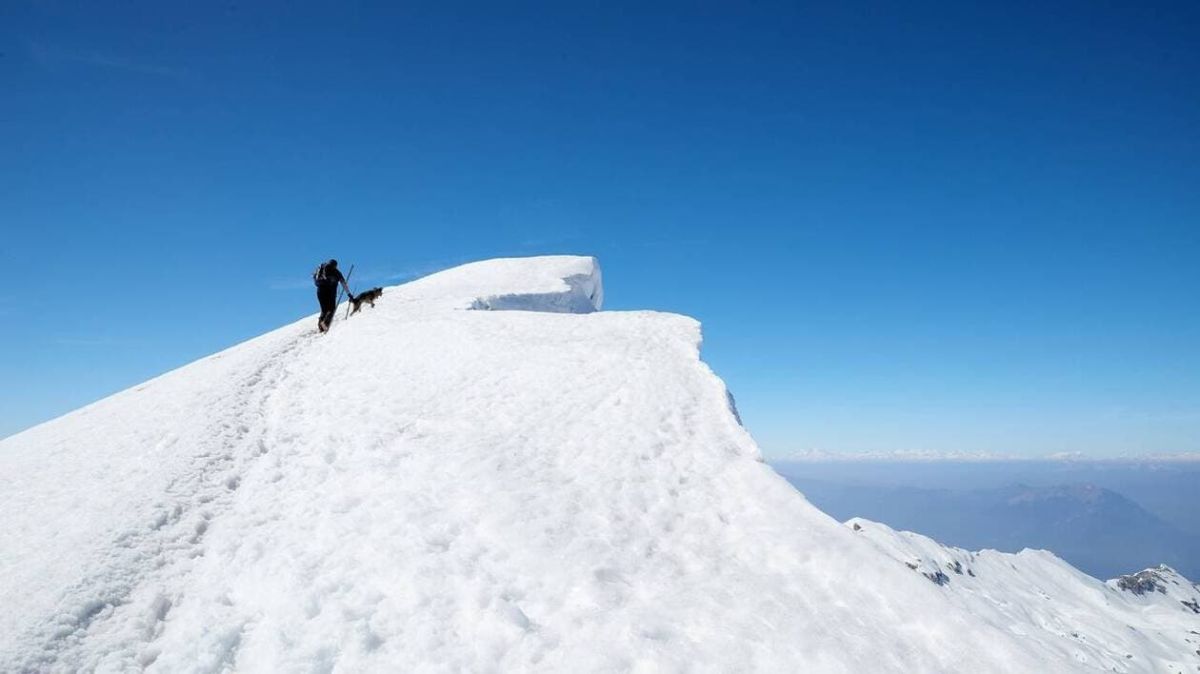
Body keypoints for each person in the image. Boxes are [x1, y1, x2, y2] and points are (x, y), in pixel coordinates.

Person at [313, 259, 353, 332]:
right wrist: (349, 294)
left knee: (324, 309)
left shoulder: (322, 269)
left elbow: (314, 277)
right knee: (331, 309)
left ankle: (321, 327)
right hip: (330, 292)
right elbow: (343, 283)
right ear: (335, 266)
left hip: (320, 291)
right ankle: (325, 324)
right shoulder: (336, 272)